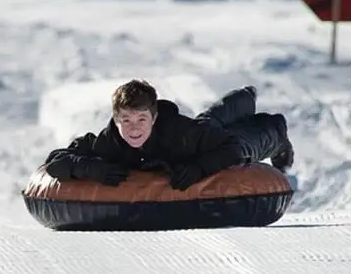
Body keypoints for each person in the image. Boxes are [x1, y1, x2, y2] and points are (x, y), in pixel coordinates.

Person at [43, 79, 294, 191]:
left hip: (205, 146)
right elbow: (55, 161)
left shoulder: (179, 133)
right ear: (116, 119)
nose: (133, 128)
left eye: (141, 119)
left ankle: (276, 130)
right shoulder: (108, 142)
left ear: (153, 118)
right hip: (200, 132)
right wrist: (91, 169)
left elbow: (230, 149)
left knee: (242, 139)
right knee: (209, 121)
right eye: (126, 120)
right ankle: (244, 97)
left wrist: (198, 168)